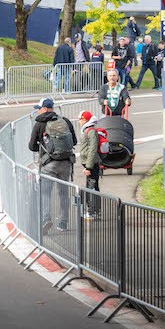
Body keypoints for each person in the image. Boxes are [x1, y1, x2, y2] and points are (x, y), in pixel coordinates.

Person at [27, 98, 76, 233]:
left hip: (48, 164)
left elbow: (32, 146)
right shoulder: (64, 121)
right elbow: (74, 141)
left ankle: (46, 220)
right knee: (63, 193)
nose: (38, 111)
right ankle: (63, 223)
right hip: (66, 163)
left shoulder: (39, 123)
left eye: (39, 108)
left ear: (44, 108)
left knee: (46, 193)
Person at [77, 110, 102, 218]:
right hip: (90, 164)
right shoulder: (87, 130)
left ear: (85, 119)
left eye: (80, 119)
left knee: (92, 188)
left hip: (92, 164)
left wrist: (88, 166)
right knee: (91, 187)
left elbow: (92, 149)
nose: (79, 121)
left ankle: (94, 212)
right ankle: (93, 211)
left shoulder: (91, 131)